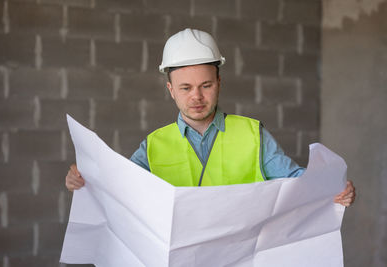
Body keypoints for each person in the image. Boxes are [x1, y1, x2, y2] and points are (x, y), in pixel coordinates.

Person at [65, 28, 355, 206]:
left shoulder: (253, 134)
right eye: (186, 88)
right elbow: (118, 188)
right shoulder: (153, 147)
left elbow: (296, 181)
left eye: (206, 85)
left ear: (219, 83)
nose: (197, 97)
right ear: (171, 90)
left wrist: (332, 188)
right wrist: (84, 183)